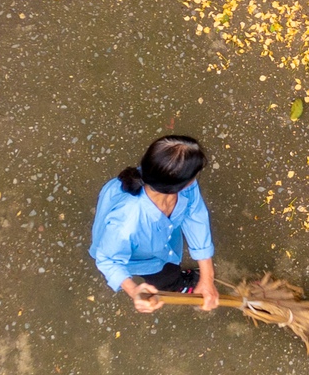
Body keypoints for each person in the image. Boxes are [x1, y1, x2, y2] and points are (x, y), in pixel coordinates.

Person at [89, 134, 221, 314]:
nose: (195, 179)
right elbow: (107, 259)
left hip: (155, 241)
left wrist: (208, 277)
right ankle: (176, 285)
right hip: (140, 258)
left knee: (168, 260)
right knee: (163, 275)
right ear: (178, 185)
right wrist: (133, 289)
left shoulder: (179, 183)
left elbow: (195, 215)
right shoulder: (126, 223)